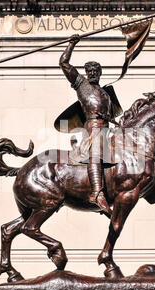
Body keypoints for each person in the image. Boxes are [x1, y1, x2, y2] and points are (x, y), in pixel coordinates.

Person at [59, 33, 113, 214]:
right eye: (89, 71)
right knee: (96, 151)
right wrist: (71, 44)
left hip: (107, 128)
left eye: (95, 72)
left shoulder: (105, 93)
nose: (92, 74)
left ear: (100, 73)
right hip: (93, 128)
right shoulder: (81, 84)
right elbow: (64, 64)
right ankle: (97, 193)